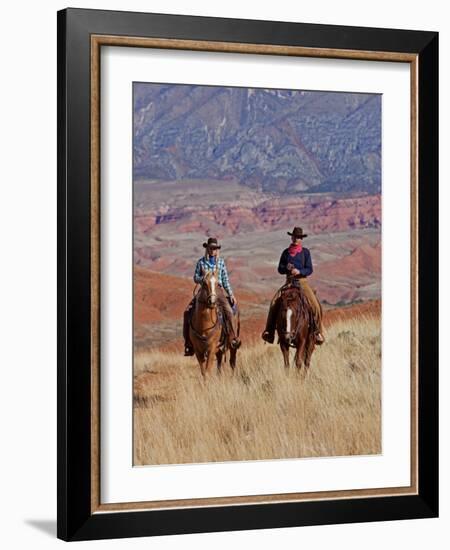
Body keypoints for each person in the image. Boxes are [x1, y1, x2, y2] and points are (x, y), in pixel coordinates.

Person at [261, 227, 325, 345]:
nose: (296, 239)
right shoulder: (285, 253)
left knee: (315, 305)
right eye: (295, 237)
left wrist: (299, 271)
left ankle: (317, 332)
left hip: (302, 282)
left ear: (301, 239)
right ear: (292, 237)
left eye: (299, 237)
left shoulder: (306, 252)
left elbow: (309, 269)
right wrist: (287, 268)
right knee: (274, 302)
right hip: (289, 282)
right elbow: (280, 269)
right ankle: (269, 332)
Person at [183, 237, 241, 356]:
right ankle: (189, 343)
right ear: (207, 249)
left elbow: (225, 280)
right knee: (187, 312)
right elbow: (195, 277)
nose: (213, 250)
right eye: (211, 248)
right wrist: (203, 278)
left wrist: (231, 294)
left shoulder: (221, 262)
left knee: (229, 311)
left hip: (218, 290)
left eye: (215, 248)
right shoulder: (201, 262)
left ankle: (232, 338)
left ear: (217, 250)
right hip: (204, 290)